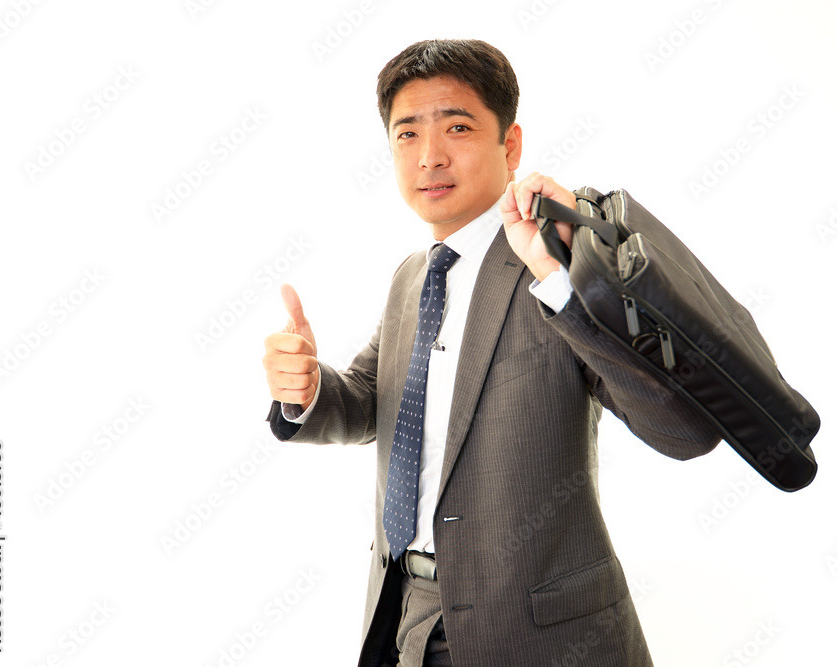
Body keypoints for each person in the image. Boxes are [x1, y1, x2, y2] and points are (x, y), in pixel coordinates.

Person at [262, 39, 721, 667]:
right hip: (404, 617)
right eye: (407, 134)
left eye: (457, 127)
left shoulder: (559, 263)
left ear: (510, 146)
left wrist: (562, 287)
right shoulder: (412, 277)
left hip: (539, 635)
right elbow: (371, 401)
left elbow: (683, 431)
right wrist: (306, 389)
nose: (430, 155)